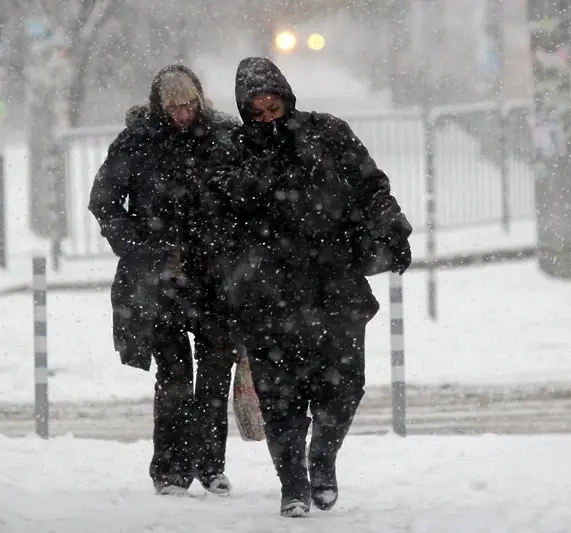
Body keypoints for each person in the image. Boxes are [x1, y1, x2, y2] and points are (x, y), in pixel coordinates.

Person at [205, 57, 412, 517]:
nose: (267, 119)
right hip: (266, 294)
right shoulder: (231, 151)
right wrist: (264, 175)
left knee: (344, 387)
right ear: (244, 112)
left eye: (273, 107)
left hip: (333, 284)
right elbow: (219, 209)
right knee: (281, 397)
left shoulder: (328, 133)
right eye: (255, 112)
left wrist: (389, 225)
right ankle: (292, 484)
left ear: (286, 97)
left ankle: (323, 461)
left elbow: (371, 187)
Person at [88, 64, 239, 497]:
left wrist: (227, 241)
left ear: (200, 101)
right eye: (173, 107)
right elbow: (105, 202)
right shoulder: (136, 142)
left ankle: (210, 466)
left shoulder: (223, 137)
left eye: (189, 105)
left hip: (214, 278)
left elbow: (248, 197)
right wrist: (142, 246)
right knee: (174, 374)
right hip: (161, 279)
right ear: (159, 105)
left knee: (214, 373)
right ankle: (170, 471)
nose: (182, 115)